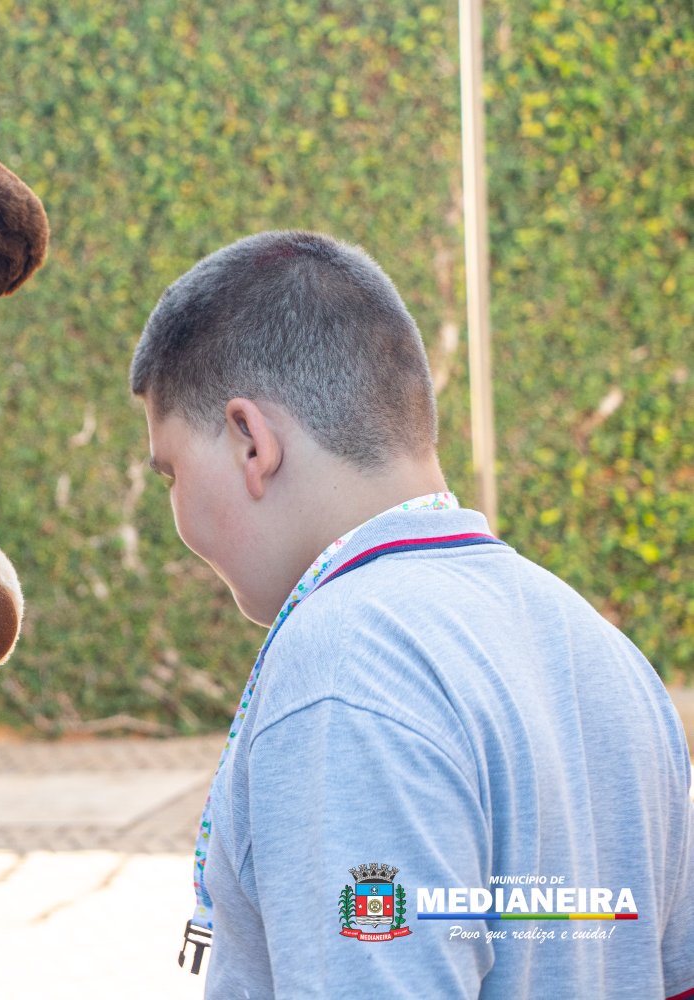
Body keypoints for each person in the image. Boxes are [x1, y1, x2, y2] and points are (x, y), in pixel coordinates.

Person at [129, 229, 694, 997]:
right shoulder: (605, 652)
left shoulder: (340, 668)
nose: (178, 514)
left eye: (170, 473)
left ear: (250, 441)